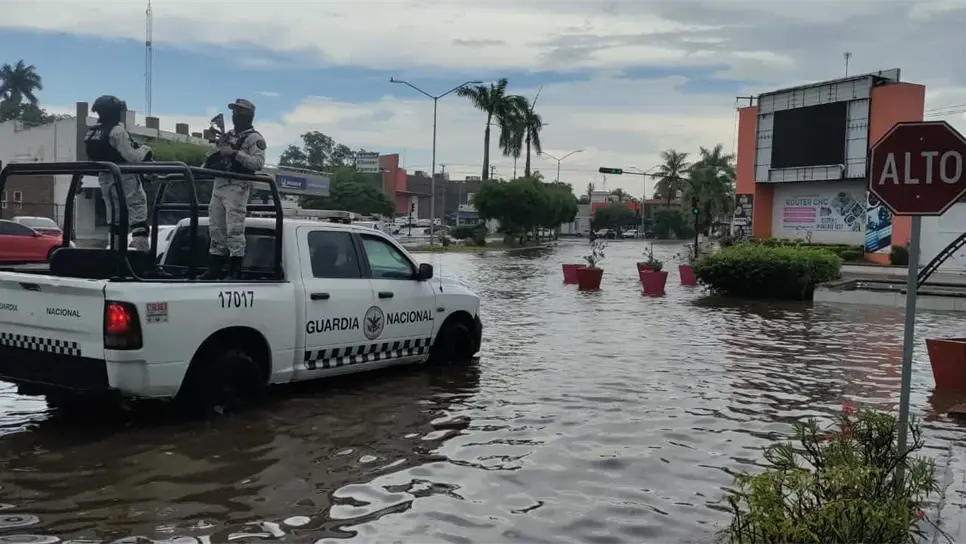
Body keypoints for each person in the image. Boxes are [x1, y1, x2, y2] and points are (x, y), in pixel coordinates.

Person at [200, 98, 266, 280]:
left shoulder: (255, 138)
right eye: (234, 112)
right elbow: (214, 157)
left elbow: (258, 163)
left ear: (248, 116)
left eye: (239, 112)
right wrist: (218, 148)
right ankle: (215, 268)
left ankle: (235, 271)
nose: (235, 116)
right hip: (220, 183)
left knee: (234, 229)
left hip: (237, 186)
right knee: (215, 227)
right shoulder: (228, 134)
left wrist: (235, 153)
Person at [84, 95, 153, 252]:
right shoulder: (117, 131)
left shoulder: (91, 132)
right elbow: (133, 157)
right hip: (125, 178)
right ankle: (142, 259)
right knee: (138, 218)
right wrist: (145, 149)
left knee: (115, 221)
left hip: (105, 179)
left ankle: (115, 257)